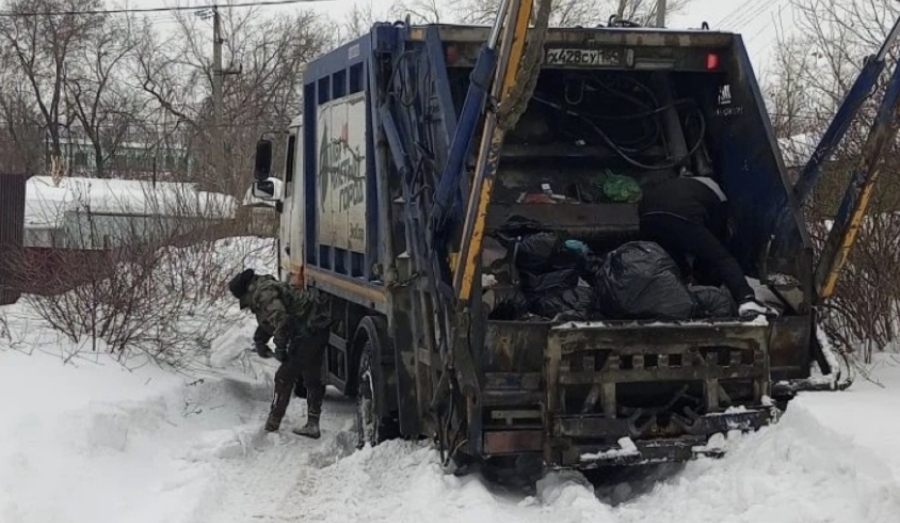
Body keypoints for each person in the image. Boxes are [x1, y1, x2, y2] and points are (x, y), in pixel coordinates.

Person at [638, 173, 772, 317]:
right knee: (722, 259)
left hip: (647, 215)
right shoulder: (720, 195)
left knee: (666, 263)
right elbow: (714, 238)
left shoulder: (680, 183)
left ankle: (663, 304)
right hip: (683, 213)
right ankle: (746, 300)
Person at [228, 269, 333, 437]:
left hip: (309, 328)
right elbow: (271, 319)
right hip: (317, 322)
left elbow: (281, 319)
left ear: (248, 290)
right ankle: (312, 424)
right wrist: (260, 339)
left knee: (284, 376)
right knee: (312, 376)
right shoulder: (264, 287)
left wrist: (281, 348)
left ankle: (273, 423)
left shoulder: (263, 294)